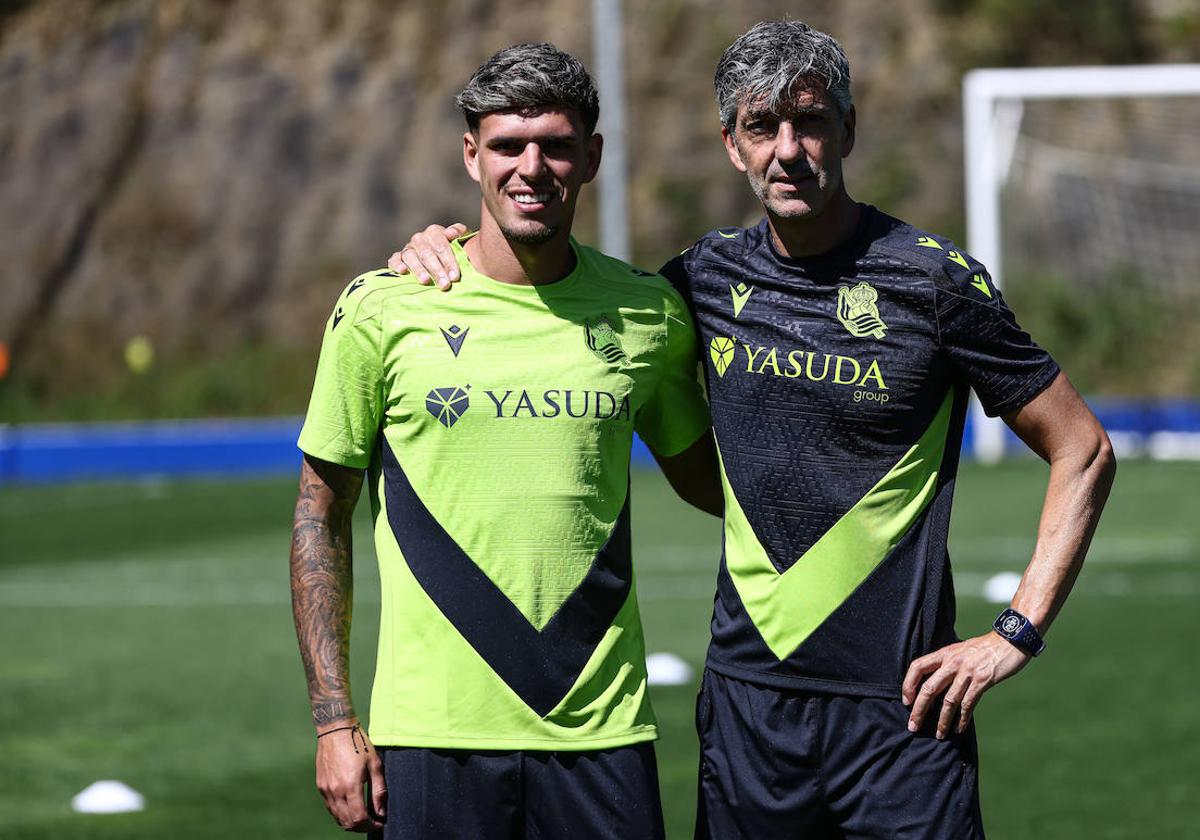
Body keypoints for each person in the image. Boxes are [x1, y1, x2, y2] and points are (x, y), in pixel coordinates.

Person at [389, 19, 1116, 839]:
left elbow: (1081, 446)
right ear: (732, 144)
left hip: (904, 714)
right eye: (762, 126)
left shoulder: (932, 279)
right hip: (746, 715)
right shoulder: (696, 282)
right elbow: (558, 292)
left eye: (810, 121)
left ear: (849, 128)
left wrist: (1015, 633)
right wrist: (441, 242)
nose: (789, 149)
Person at [290, 43, 719, 839]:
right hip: (431, 735)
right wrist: (333, 722)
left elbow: (713, 485)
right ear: (470, 155)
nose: (532, 167)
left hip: (602, 732)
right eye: (507, 146)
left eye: (556, 145)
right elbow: (319, 514)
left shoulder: (648, 314)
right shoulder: (386, 310)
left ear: (591, 157)